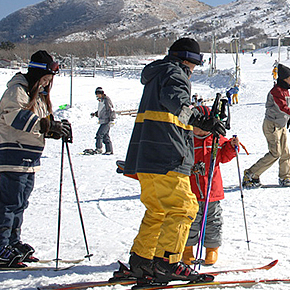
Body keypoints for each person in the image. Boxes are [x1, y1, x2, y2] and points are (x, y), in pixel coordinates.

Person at [122, 38, 226, 285]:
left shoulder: (156, 74)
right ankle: (168, 263)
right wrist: (201, 121)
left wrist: (199, 117)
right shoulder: (175, 73)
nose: (193, 70)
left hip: (146, 157)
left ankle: (142, 261)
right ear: (188, 60)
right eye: (195, 64)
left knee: (158, 210)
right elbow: (176, 102)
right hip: (167, 155)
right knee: (184, 208)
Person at [0, 51, 72, 267]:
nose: (46, 84)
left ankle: (11, 242)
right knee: (8, 202)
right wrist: (45, 125)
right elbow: (14, 116)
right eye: (44, 79)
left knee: (20, 203)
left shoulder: (37, 93)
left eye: (48, 81)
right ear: (36, 75)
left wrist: (55, 129)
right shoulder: (17, 90)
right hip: (13, 152)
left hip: (28, 156)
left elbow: (39, 123)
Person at [243, 64, 290, 188]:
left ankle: (285, 176)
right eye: (289, 78)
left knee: (285, 153)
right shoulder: (276, 91)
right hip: (271, 125)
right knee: (275, 153)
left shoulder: (285, 91)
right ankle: (251, 174)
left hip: (281, 125)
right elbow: (282, 107)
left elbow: (286, 108)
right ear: (283, 79)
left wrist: (289, 120)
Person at [182, 129, 239, 266]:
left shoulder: (216, 139)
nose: (201, 130)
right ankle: (187, 248)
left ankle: (211, 249)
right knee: (190, 221)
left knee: (213, 221)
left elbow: (225, 156)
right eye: (198, 126)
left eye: (205, 127)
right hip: (192, 191)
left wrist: (232, 146)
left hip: (212, 190)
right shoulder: (187, 138)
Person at [91, 87, 115, 155]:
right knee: (105, 136)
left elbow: (110, 110)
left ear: (102, 93)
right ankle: (109, 150)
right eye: (97, 94)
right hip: (103, 120)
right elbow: (102, 110)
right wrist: (95, 114)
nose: (97, 96)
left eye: (98, 94)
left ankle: (99, 148)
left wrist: (112, 120)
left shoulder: (106, 100)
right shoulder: (101, 100)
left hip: (107, 120)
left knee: (99, 134)